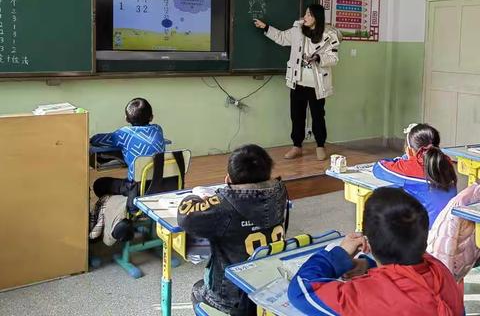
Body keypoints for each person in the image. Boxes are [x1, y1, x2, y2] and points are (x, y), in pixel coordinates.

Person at [288, 187, 464, 316]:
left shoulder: (366, 296)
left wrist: (338, 254)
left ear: (368, 242)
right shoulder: (440, 270)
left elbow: (301, 291)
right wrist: (368, 265)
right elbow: (406, 273)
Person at [177, 144, 288, 315]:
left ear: (228, 179)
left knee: (197, 289)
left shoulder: (223, 206)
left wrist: (197, 196)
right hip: (272, 286)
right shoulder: (280, 193)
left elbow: (185, 217)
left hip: (231, 297)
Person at [254, 4, 341, 161]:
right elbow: (280, 37)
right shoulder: (297, 31)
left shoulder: (329, 35)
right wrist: (265, 27)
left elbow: (334, 58)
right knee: (296, 115)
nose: (305, 17)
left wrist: (318, 58)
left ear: (317, 18)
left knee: (318, 115)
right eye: (306, 14)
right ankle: (297, 146)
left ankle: (320, 145)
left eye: (309, 15)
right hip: (298, 81)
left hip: (317, 84)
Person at [373, 123, 457, 228]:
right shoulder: (446, 161)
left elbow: (378, 168)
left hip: (424, 231)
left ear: (410, 150)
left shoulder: (411, 167)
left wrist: (404, 158)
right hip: (447, 227)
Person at [90, 97, 165, 196]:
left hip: (136, 188)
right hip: (161, 183)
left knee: (99, 184)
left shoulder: (124, 134)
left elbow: (97, 140)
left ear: (126, 118)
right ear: (151, 117)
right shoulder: (158, 129)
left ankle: (117, 207)